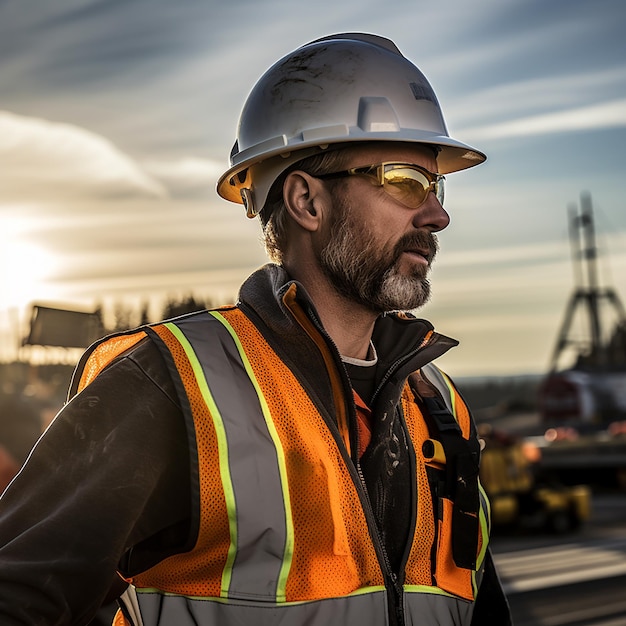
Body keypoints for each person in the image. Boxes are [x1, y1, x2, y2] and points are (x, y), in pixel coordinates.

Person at [0, 33, 512, 626]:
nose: (437, 214)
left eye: (436, 184)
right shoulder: (174, 388)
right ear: (305, 201)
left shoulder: (440, 409)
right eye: (404, 181)